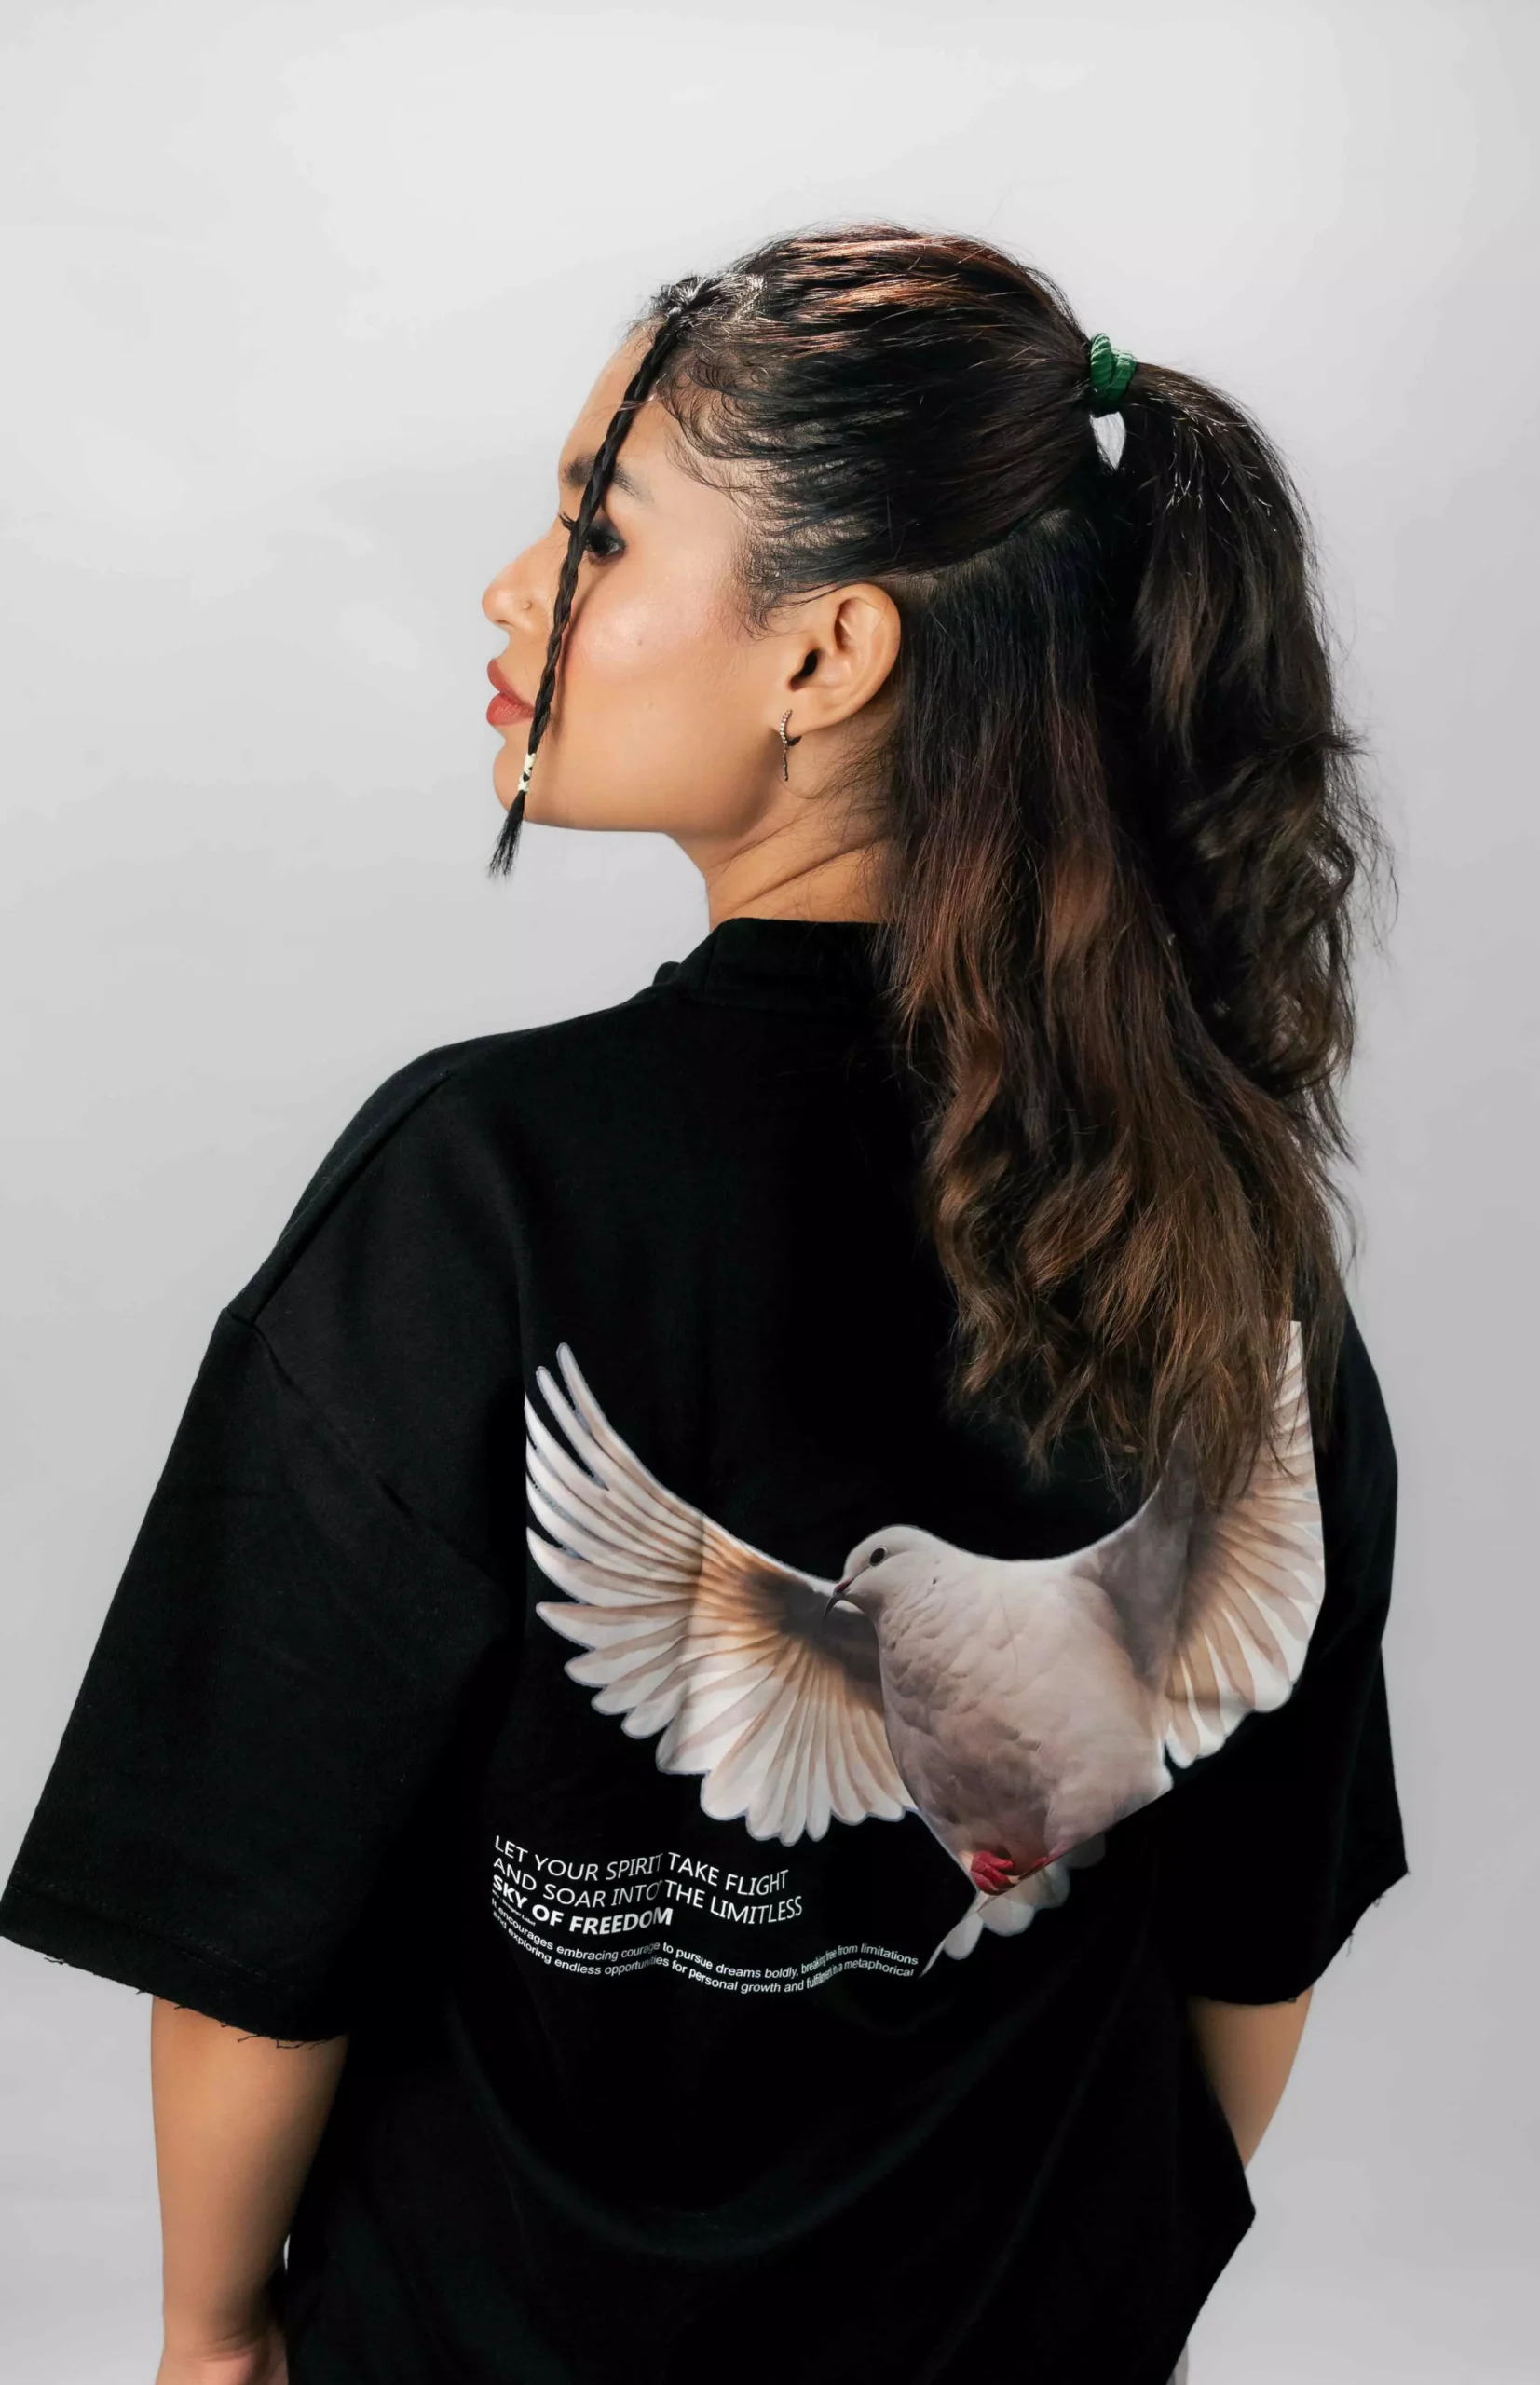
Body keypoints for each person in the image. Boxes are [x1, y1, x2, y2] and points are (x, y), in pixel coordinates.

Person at [0, 225, 1409, 2385]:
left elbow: (255, 1919)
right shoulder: (1225, 1233)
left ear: (826, 652)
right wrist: (1074, 2294)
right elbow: (1252, 1935)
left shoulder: (481, 1189)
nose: (513, 592)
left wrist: (208, 2337)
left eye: (595, 533)